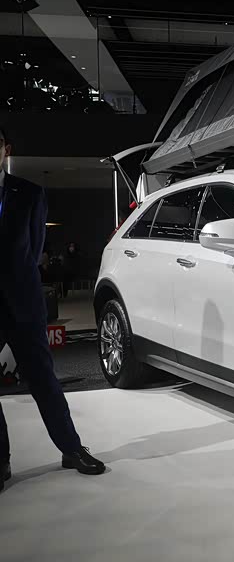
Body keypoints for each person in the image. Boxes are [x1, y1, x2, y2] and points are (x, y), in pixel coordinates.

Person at [0, 126, 105, 493]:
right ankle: (1, 460)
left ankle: (71, 449)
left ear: (6, 149)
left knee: (44, 378)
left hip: (23, 302)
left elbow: (33, 250)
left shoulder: (29, 193)